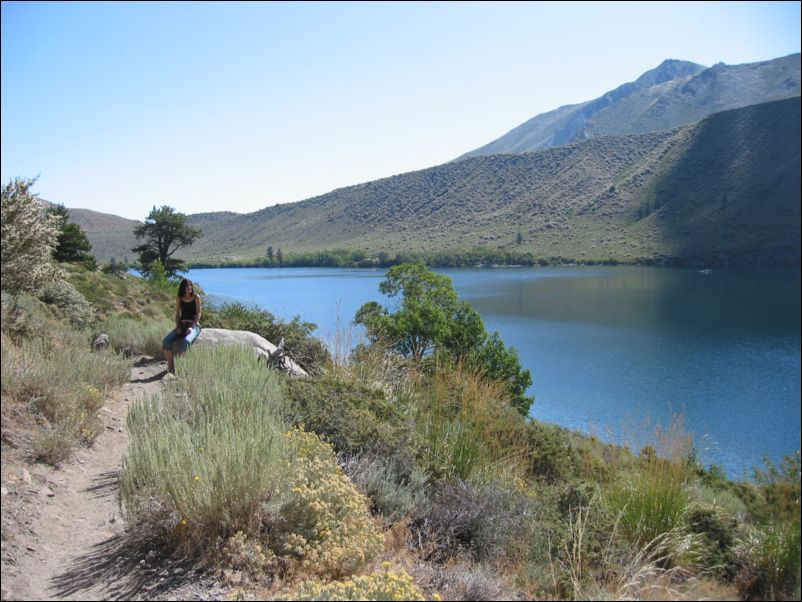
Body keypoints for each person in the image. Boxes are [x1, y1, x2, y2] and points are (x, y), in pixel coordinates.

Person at [163, 278, 202, 374]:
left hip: (194, 326)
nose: (189, 287)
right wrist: (178, 326)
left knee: (186, 341)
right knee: (167, 341)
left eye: (190, 285)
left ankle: (181, 368)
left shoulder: (196, 297)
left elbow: (199, 313)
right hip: (182, 325)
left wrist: (192, 327)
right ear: (183, 287)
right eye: (187, 286)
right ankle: (171, 368)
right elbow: (177, 314)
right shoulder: (179, 298)